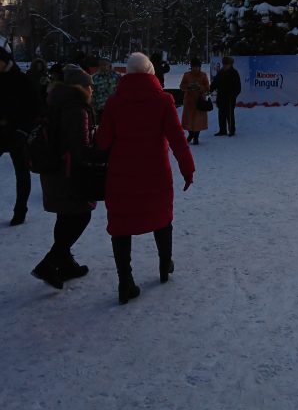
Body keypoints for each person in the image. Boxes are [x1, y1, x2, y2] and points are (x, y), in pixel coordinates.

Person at [95, 52, 194, 305]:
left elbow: (103, 141)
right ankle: (164, 265)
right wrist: (187, 168)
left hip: (121, 174)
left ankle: (125, 281)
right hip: (156, 174)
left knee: (121, 226)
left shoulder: (115, 103)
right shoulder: (163, 100)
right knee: (162, 218)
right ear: (151, 72)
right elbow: (177, 138)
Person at [31, 65, 98, 289]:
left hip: (52, 171)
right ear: (80, 87)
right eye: (90, 86)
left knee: (65, 216)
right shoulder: (77, 109)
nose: (92, 90)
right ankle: (50, 262)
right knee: (81, 215)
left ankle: (66, 263)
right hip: (69, 173)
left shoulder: (55, 101)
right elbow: (80, 148)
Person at [0, 36, 42, 226]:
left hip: (17, 132)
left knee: (21, 173)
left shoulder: (21, 80)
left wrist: (23, 131)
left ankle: (20, 210)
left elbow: (35, 108)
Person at [180, 57, 210, 145]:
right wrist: (189, 86)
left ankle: (196, 137)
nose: (195, 69)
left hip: (199, 101)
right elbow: (182, 86)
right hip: (189, 101)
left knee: (198, 120)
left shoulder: (203, 75)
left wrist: (200, 87)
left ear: (199, 67)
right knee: (188, 119)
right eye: (193, 67)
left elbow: (207, 87)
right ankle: (191, 134)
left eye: (197, 67)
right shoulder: (187, 75)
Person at [210, 56, 242, 136]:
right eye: (224, 64)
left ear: (231, 64)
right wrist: (210, 89)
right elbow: (215, 83)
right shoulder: (220, 72)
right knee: (221, 114)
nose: (225, 66)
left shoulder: (234, 73)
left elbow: (238, 87)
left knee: (230, 114)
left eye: (227, 64)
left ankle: (231, 130)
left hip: (230, 98)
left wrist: (233, 95)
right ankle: (222, 130)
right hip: (221, 96)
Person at [91, 56, 120, 122]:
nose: (103, 66)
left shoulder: (116, 76)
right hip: (100, 108)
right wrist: (93, 108)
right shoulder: (94, 77)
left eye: (105, 64)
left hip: (113, 108)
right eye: (101, 65)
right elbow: (93, 93)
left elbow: (120, 91)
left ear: (109, 65)